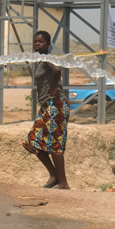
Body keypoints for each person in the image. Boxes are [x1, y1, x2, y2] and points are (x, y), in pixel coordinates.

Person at [22, 31, 70, 190]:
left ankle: (63, 183)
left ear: (48, 44)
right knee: (33, 141)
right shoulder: (39, 59)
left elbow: (57, 70)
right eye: (35, 41)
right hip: (48, 106)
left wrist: (54, 89)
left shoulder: (46, 58)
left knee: (55, 144)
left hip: (56, 104)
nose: (37, 44)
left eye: (40, 42)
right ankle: (54, 175)